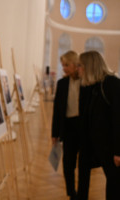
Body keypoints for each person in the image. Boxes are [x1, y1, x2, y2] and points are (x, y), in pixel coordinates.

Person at [78, 51, 120, 200]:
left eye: (81, 66)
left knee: (115, 185)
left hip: (111, 149)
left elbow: (118, 118)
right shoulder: (96, 85)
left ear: (90, 66)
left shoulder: (112, 83)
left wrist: (118, 151)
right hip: (98, 147)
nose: (79, 69)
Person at [52, 50, 81, 200]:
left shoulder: (86, 81)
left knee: (83, 164)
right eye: (63, 65)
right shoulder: (61, 83)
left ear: (75, 64)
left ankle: (82, 192)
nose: (64, 68)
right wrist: (54, 134)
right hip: (68, 127)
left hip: (83, 128)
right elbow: (56, 111)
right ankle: (72, 193)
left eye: (67, 65)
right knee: (68, 164)